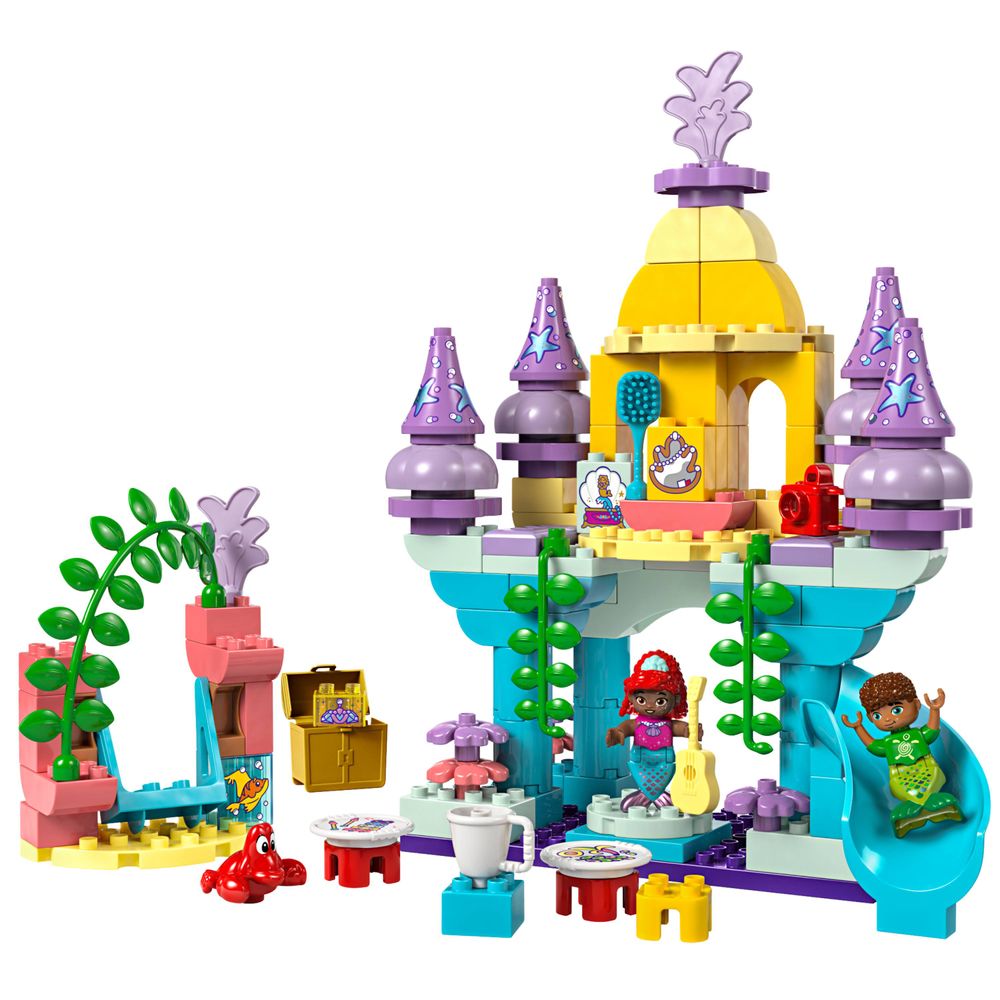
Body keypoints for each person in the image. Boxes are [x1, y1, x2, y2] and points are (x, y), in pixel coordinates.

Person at [841, 671, 962, 837]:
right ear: (870, 718)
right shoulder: (888, 743)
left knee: (932, 788)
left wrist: (934, 710)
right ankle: (916, 809)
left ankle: (927, 805)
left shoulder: (917, 735)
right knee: (905, 792)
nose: (888, 719)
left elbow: (932, 731)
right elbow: (874, 746)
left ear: (917, 705)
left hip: (928, 769)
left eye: (896, 710)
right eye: (877, 715)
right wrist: (858, 727)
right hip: (899, 777)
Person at [606, 650, 700, 812]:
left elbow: (682, 728)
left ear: (676, 699)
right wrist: (618, 733)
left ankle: (653, 797)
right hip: (639, 760)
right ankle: (656, 798)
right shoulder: (637, 723)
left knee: (656, 785)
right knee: (647, 784)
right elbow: (627, 727)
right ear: (631, 698)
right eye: (641, 700)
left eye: (660, 701)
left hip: (665, 761)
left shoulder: (668, 724)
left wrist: (691, 731)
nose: (650, 706)